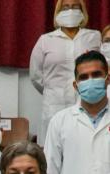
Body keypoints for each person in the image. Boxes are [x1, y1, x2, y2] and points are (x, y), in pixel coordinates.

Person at [29, 0, 100, 138]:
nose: (70, 10)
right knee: (53, 151)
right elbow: (35, 75)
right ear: (58, 12)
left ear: (82, 11)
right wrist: (52, 91)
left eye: (75, 7)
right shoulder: (45, 40)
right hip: (54, 106)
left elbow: (103, 68)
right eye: (65, 7)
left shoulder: (94, 37)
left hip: (87, 103)